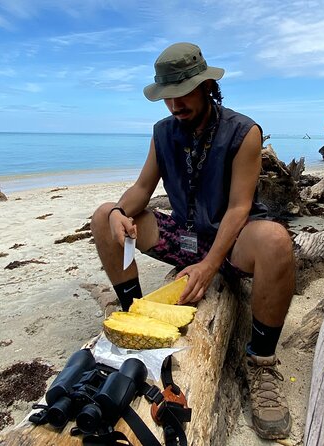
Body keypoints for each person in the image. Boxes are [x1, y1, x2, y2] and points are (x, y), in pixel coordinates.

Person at [90, 42, 295, 440]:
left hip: (232, 239)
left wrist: (209, 265)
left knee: (275, 240)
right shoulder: (162, 133)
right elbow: (142, 188)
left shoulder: (243, 132)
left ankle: (262, 363)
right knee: (103, 216)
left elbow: (239, 209)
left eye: (183, 92)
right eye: (168, 96)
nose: (175, 104)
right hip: (183, 235)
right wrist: (118, 212)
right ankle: (136, 316)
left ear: (206, 87)